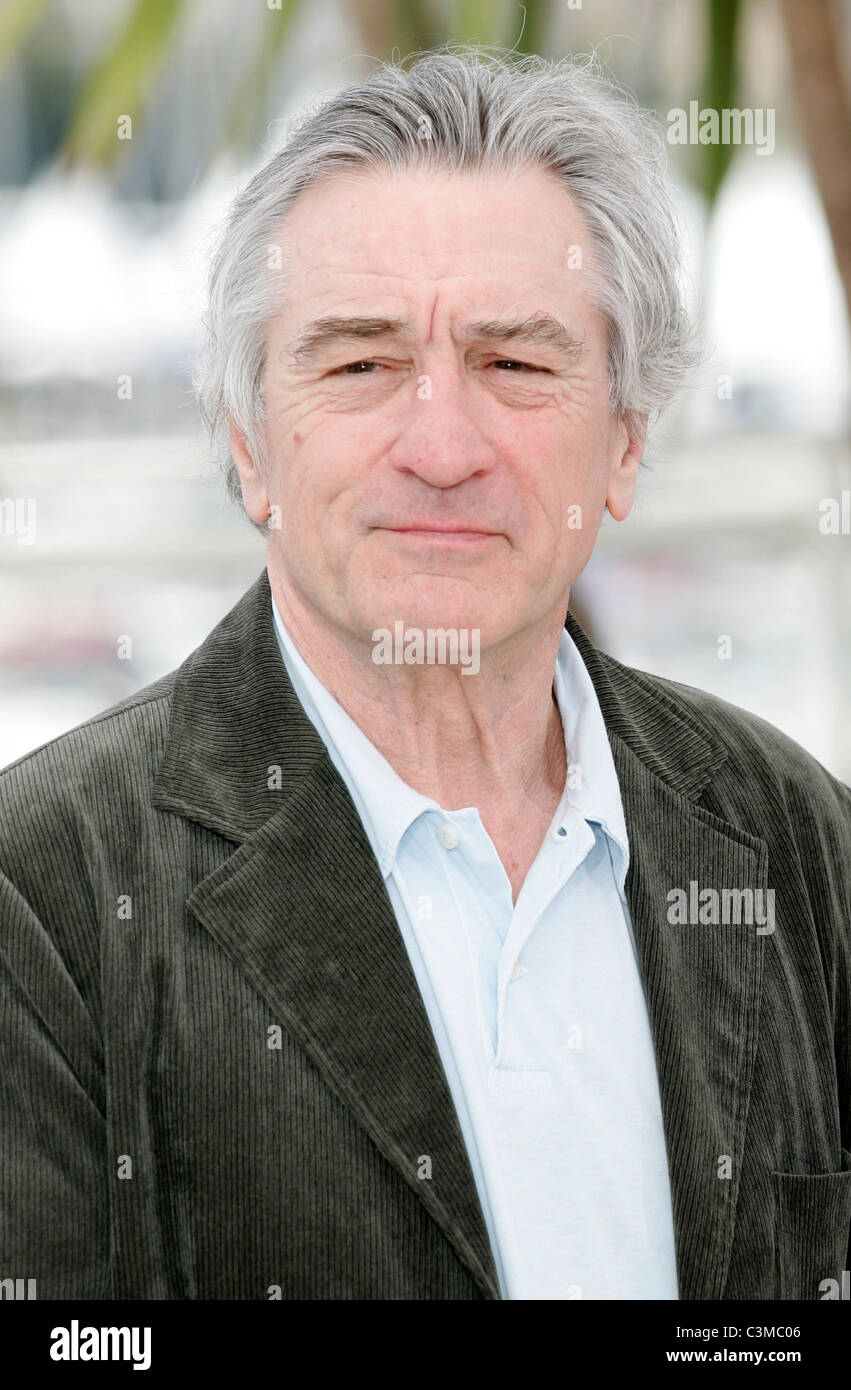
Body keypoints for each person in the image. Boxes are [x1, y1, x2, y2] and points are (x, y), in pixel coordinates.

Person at [1, 48, 849, 1301]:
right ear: (249, 444)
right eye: (359, 363)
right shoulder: (43, 893)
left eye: (516, 364)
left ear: (623, 442)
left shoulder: (796, 836)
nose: (442, 446)